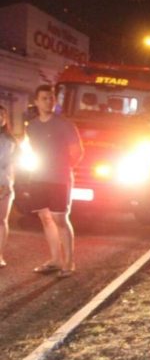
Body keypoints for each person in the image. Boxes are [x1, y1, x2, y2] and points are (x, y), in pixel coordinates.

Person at [26, 84, 84, 278]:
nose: (49, 101)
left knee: (60, 218)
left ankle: (69, 263)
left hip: (60, 178)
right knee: (45, 218)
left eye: (51, 98)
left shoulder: (65, 125)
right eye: (44, 98)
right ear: (36, 102)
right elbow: (31, 150)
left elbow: (78, 153)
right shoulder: (32, 126)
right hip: (38, 178)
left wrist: (63, 168)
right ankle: (55, 260)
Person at [0, 105, 17, 268]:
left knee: (1, 221)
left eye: (2, 116)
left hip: (3, 186)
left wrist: (6, 185)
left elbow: (10, 165)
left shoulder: (10, 141)